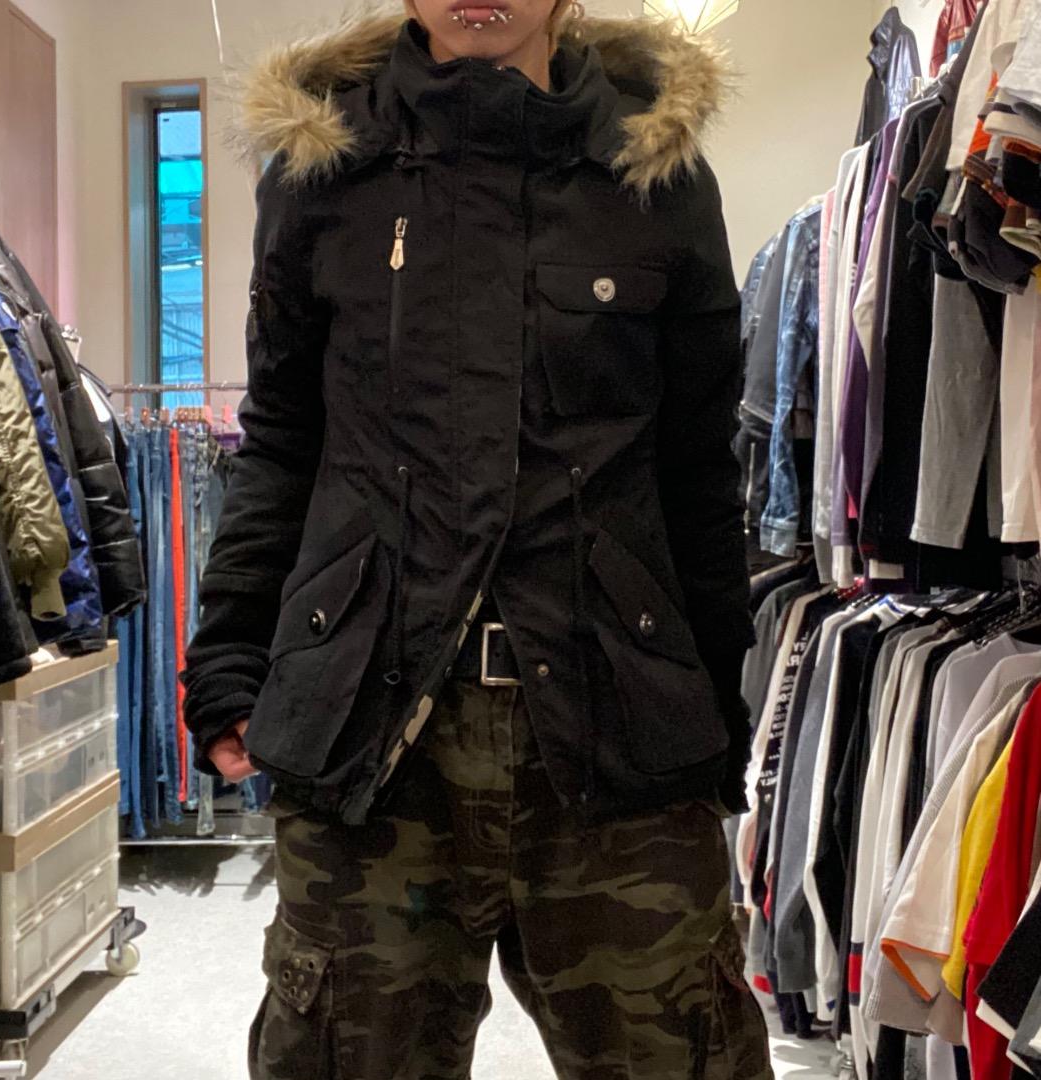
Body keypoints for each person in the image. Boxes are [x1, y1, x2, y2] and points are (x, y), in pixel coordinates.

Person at [182, 0, 772, 1075]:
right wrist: (228, 654)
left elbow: (695, 467)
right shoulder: (323, 170)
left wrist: (720, 706)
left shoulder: (654, 174)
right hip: (372, 728)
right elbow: (281, 444)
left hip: (616, 725)